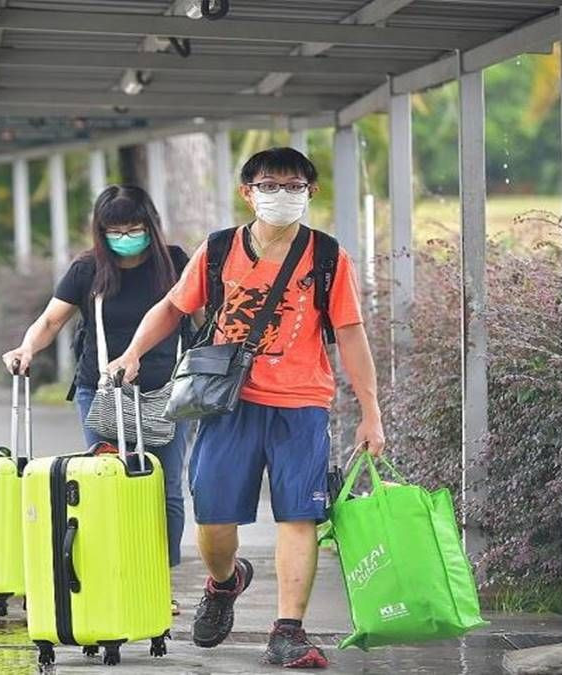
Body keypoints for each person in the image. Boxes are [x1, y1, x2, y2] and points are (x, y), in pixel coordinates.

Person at [106, 148, 386, 669]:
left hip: (302, 404)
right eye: (270, 185)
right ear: (247, 192)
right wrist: (132, 353)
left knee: (299, 515)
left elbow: (350, 333)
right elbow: (172, 307)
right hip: (225, 402)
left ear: (311, 192)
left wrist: (371, 412)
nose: (282, 195)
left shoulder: (327, 257)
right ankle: (224, 582)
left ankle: (288, 632)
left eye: (294, 185)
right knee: (213, 518)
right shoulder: (217, 252)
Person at [2, 185, 194, 614]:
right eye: (115, 230)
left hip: (166, 389)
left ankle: (158, 578)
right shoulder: (88, 269)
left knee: (163, 487)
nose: (126, 236)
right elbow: (51, 319)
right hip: (100, 389)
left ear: (151, 226)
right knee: (105, 482)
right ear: (101, 232)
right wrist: (27, 349)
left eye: (135, 228)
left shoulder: (176, 262)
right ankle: (113, 574)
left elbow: (203, 313)